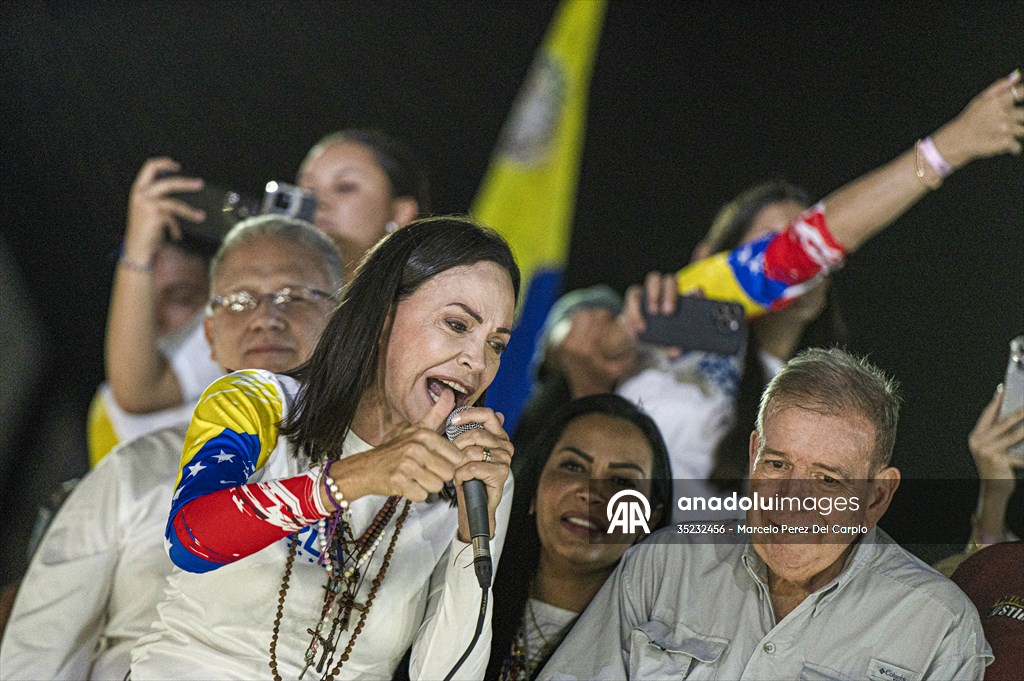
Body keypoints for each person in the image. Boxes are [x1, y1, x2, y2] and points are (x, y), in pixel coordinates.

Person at [517, 70, 1024, 495]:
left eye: (815, 250)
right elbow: (563, 337)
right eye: (766, 244)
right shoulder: (654, 326)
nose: (798, 261)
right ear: (709, 260)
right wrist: (950, 146)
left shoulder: (821, 401)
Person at [130, 217, 520, 680]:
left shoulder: (474, 473)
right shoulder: (257, 399)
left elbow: (442, 675)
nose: (477, 362)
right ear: (381, 317)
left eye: (496, 344)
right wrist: (361, 476)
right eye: (457, 325)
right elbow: (192, 540)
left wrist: (471, 532)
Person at [0, 215, 343, 681]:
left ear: (345, 322)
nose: (266, 317)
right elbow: (40, 650)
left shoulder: (384, 481)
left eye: (294, 297)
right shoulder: (136, 468)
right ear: (209, 337)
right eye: (240, 301)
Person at [538, 348, 992, 680]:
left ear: (876, 496)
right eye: (777, 464)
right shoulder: (662, 566)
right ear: (754, 456)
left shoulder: (937, 627)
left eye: (827, 480)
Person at [104, 129, 428, 419]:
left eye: (344, 187)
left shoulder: (434, 302)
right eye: (306, 191)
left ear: (400, 213)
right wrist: (139, 248)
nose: (317, 205)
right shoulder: (267, 306)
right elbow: (140, 391)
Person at [486, 394, 673, 681]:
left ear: (649, 521)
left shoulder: (659, 648)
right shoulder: (471, 593)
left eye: (622, 481)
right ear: (534, 488)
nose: (592, 493)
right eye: (573, 466)